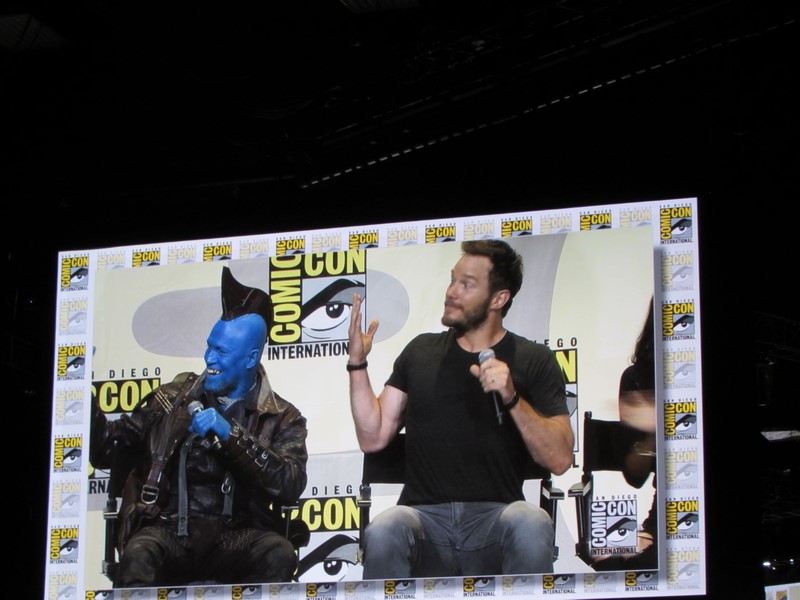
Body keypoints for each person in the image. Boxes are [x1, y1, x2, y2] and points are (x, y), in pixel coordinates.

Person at [347, 239, 574, 579]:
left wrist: (511, 397)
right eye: (453, 280)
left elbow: (560, 459)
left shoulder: (534, 359)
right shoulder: (420, 352)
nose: (451, 292)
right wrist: (357, 364)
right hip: (424, 523)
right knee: (384, 527)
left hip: (496, 521)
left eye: (467, 284)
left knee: (531, 521)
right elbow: (373, 436)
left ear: (499, 298)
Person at [90, 266, 309, 587]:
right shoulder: (172, 398)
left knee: (278, 553)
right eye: (209, 346)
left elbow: (290, 482)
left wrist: (231, 434)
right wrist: (81, 391)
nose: (209, 358)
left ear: (250, 359)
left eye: (221, 351)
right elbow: (106, 450)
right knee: (139, 554)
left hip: (238, 534)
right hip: (168, 530)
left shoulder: (282, 416)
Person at [593, 298, 657, 571]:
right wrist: (653, 434)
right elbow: (635, 476)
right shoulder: (638, 378)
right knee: (616, 561)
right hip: (664, 510)